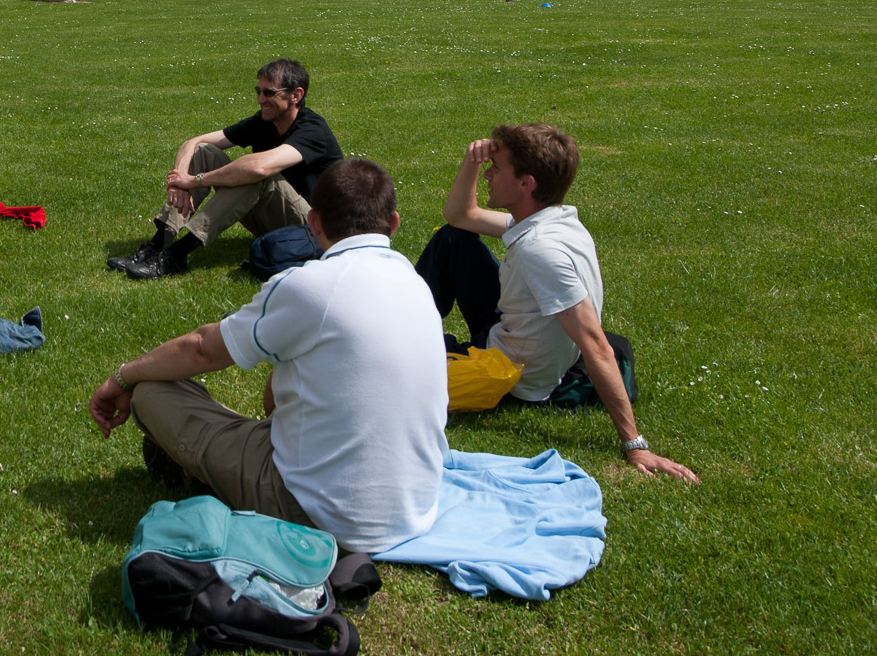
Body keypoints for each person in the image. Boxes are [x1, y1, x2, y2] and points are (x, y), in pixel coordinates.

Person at [88, 159, 449, 552]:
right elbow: (274, 402)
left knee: (151, 392)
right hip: (416, 508)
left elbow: (202, 348)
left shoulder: (309, 286)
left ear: (311, 222)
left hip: (319, 515)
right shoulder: (417, 286)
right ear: (394, 223)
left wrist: (122, 378)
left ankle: (199, 472)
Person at [419, 124, 699, 482]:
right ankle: (406, 325)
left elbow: (595, 345)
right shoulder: (553, 221)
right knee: (454, 238)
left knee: (393, 362)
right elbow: (461, 216)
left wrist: (636, 445)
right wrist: (471, 162)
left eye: (497, 168)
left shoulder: (541, 250)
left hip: (508, 372)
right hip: (511, 330)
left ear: (526, 183)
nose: (489, 174)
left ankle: (395, 333)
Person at [106, 58, 343, 280]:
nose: (261, 99)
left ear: (296, 95)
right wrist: (179, 180)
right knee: (205, 153)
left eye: (269, 93)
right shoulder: (264, 121)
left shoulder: (313, 130)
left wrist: (196, 181)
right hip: (276, 220)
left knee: (257, 175)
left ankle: (176, 255)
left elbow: (260, 168)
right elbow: (195, 142)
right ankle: (159, 244)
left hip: (315, 229)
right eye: (258, 91)